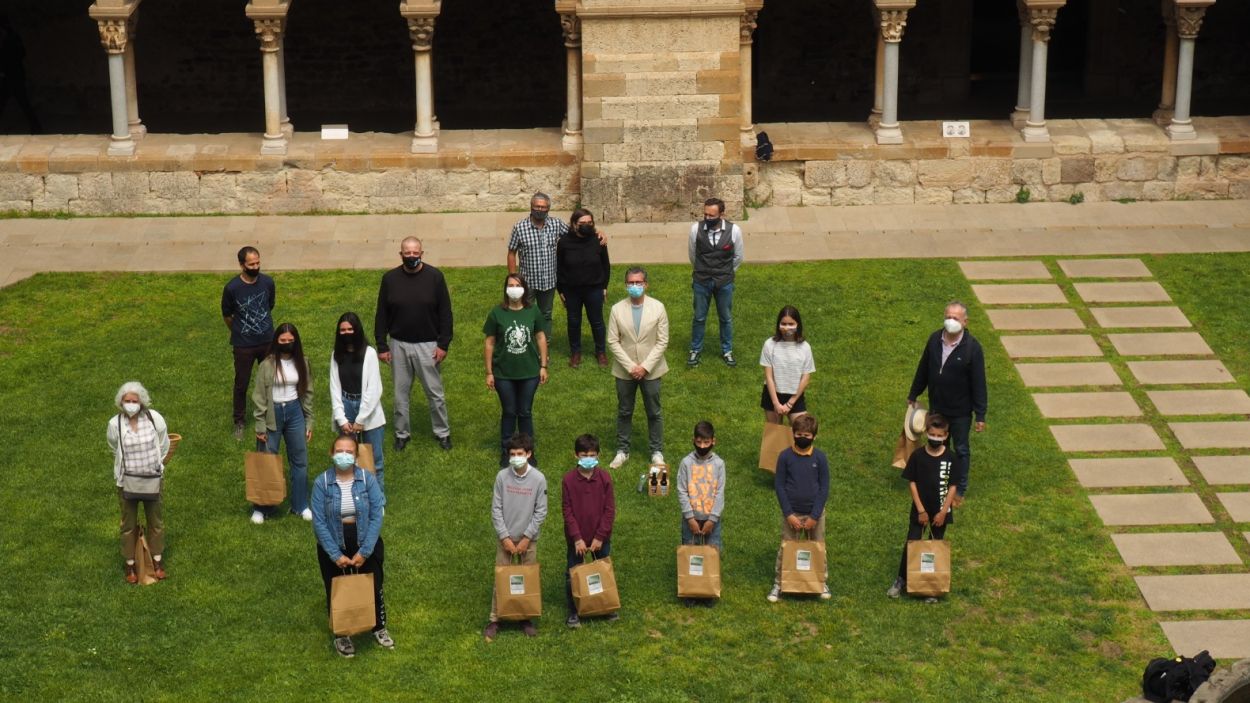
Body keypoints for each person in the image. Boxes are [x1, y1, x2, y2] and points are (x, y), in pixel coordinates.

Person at [311, 435, 391, 658]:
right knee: (336, 589)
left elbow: (376, 515)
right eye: (339, 451)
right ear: (331, 453)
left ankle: (378, 627)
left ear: (356, 456)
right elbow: (319, 522)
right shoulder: (321, 483)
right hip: (334, 543)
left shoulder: (368, 480)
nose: (343, 455)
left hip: (365, 540)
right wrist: (335, 555)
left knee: (374, 584)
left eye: (348, 452)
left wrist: (365, 551)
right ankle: (342, 635)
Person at [375, 237, 454, 452]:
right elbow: (381, 313)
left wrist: (443, 344)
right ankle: (402, 434)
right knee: (400, 394)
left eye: (415, 252)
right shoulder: (389, 279)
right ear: (400, 254)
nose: (411, 256)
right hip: (398, 344)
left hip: (428, 345)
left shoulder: (435, 277)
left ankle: (442, 432)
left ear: (422, 253)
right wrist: (382, 345)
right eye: (407, 253)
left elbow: (446, 313)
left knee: (435, 394)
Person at [907, 300, 987, 505]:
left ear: (965, 322)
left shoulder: (972, 348)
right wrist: (914, 393)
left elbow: (979, 382)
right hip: (938, 406)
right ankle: (938, 483)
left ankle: (959, 490)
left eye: (956, 318)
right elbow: (923, 368)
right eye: (948, 317)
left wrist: (980, 414)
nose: (951, 321)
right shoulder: (935, 339)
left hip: (960, 411)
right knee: (938, 444)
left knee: (960, 449)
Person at [887, 414, 960, 603]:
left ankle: (930, 587)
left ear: (945, 435)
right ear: (927, 433)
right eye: (932, 434)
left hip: (941, 511)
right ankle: (901, 580)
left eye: (939, 435)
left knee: (934, 546)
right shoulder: (918, 456)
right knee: (912, 542)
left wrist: (943, 512)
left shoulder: (951, 458)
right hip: (920, 510)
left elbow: (952, 486)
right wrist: (921, 510)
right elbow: (912, 482)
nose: (935, 438)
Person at [484, 433, 548, 642]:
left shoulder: (538, 479)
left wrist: (526, 538)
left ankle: (525, 617)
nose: (515, 457)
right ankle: (495, 618)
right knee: (501, 578)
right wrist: (504, 538)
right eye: (512, 454)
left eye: (519, 454)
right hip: (506, 539)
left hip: (528, 541)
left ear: (528, 454)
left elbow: (541, 511)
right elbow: (496, 509)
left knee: (526, 578)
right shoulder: (502, 477)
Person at [106, 381, 170, 584]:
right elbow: (114, 446)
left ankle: (157, 561)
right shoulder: (114, 424)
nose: (131, 404)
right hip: (127, 482)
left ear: (141, 402)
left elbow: (163, 442)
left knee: (156, 522)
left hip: (152, 479)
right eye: (127, 401)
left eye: (134, 400)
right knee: (128, 525)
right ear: (121, 402)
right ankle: (130, 565)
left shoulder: (154, 418)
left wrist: (157, 464)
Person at [606, 267, 669, 469]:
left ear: (646, 284)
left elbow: (662, 341)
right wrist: (632, 366)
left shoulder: (658, 307)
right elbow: (612, 341)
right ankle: (622, 451)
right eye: (631, 283)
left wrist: (645, 367)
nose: (635, 286)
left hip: (652, 369)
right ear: (626, 285)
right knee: (624, 411)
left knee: (654, 412)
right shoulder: (617, 309)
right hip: (625, 370)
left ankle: (656, 451)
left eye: (638, 282)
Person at [484, 274, 549, 467]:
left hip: (530, 372)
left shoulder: (533, 311)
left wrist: (543, 366)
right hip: (503, 373)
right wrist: (489, 372)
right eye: (510, 285)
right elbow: (489, 343)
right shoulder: (497, 313)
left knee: (525, 412)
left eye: (517, 285)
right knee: (510, 412)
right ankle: (507, 452)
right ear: (505, 289)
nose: (514, 288)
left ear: (524, 288)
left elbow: (540, 338)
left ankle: (529, 452)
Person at [251, 322, 313, 524]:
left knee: (300, 460)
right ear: (276, 341)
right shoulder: (266, 365)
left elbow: (308, 393)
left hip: (295, 412)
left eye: (290, 341)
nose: (287, 343)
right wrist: (260, 424)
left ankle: (300, 505)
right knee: (267, 460)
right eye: (283, 340)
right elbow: (259, 396)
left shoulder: (302, 362)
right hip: (272, 413)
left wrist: (308, 421)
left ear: (296, 342)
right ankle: (262, 508)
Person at [768, 414, 830, 603]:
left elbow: (824, 487)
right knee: (787, 548)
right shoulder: (785, 456)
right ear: (793, 434)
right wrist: (789, 514)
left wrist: (815, 515)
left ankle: (820, 582)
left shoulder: (820, 458)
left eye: (807, 435)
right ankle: (780, 583)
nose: (802, 438)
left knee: (818, 547)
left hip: (815, 514)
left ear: (814, 437)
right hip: (792, 513)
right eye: (799, 434)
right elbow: (779, 486)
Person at [562, 434, 617, 629]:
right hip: (576, 540)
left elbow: (609, 510)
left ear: (598, 455)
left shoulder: (605, 478)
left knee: (601, 571)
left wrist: (600, 537)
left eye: (592, 455)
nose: (588, 458)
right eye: (584, 455)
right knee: (574, 574)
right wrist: (577, 538)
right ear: (576, 455)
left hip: (600, 539)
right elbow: (567, 512)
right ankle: (574, 611)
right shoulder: (568, 480)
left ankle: (605, 606)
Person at [221, 246, 275, 440]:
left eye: (258, 262)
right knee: (241, 383)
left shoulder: (267, 283)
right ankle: (239, 422)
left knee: (270, 381)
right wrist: (238, 331)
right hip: (243, 344)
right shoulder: (232, 288)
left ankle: (270, 417)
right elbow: (227, 315)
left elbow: (269, 305)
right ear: (241, 265)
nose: (256, 266)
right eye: (251, 264)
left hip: (267, 340)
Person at [329, 312, 387, 490]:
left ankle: (378, 499)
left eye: (350, 329)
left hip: (369, 411)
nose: (346, 333)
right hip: (346, 407)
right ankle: (350, 496)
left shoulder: (369, 354)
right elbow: (334, 387)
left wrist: (361, 420)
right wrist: (342, 419)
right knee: (345, 459)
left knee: (374, 459)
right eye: (342, 330)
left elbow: (374, 389)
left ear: (357, 330)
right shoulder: (336, 355)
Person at [686, 197, 744, 368]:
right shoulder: (695, 229)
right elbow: (692, 254)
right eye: (705, 214)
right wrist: (703, 270)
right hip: (701, 280)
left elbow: (738, 257)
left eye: (712, 215)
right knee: (699, 317)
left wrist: (725, 272)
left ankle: (727, 350)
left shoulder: (734, 231)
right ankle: (695, 350)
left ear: (722, 214)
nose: (708, 218)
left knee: (725, 318)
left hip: (724, 282)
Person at [677, 420, 725, 607]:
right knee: (692, 554)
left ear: (714, 441)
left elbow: (720, 493)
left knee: (712, 554)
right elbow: (681, 490)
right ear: (693, 441)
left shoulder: (719, 464)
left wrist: (712, 519)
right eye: (699, 442)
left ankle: (708, 591)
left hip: (712, 520)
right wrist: (690, 517)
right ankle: (691, 590)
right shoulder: (686, 463)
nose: (703, 446)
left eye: (706, 443)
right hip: (692, 519)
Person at [556, 207, 611, 369]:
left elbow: (605, 265)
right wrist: (561, 290)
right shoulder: (564, 242)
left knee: (597, 321)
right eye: (582, 222)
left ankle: (600, 352)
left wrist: (604, 286)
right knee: (573, 321)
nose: (586, 225)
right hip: (571, 290)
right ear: (574, 224)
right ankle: (575, 352)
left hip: (594, 288)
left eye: (589, 222)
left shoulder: (598, 240)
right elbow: (559, 267)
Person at [507, 192, 568, 329]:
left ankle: (544, 342)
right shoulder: (519, 227)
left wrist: (598, 232)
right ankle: (525, 341)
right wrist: (513, 277)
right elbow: (511, 252)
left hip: (549, 281)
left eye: (543, 207)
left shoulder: (556, 224)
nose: (540, 209)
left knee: (546, 313)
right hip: (527, 281)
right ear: (531, 207)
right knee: (523, 312)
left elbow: (575, 234)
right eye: (537, 206)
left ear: (548, 209)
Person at [760, 305, 814, 424]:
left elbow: (806, 377)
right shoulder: (769, 344)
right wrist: (776, 403)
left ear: (797, 324)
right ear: (778, 324)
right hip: (772, 395)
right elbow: (768, 376)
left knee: (800, 434)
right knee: (775, 437)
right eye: (783, 323)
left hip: (795, 396)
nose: (786, 327)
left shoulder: (805, 347)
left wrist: (791, 403)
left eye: (791, 324)